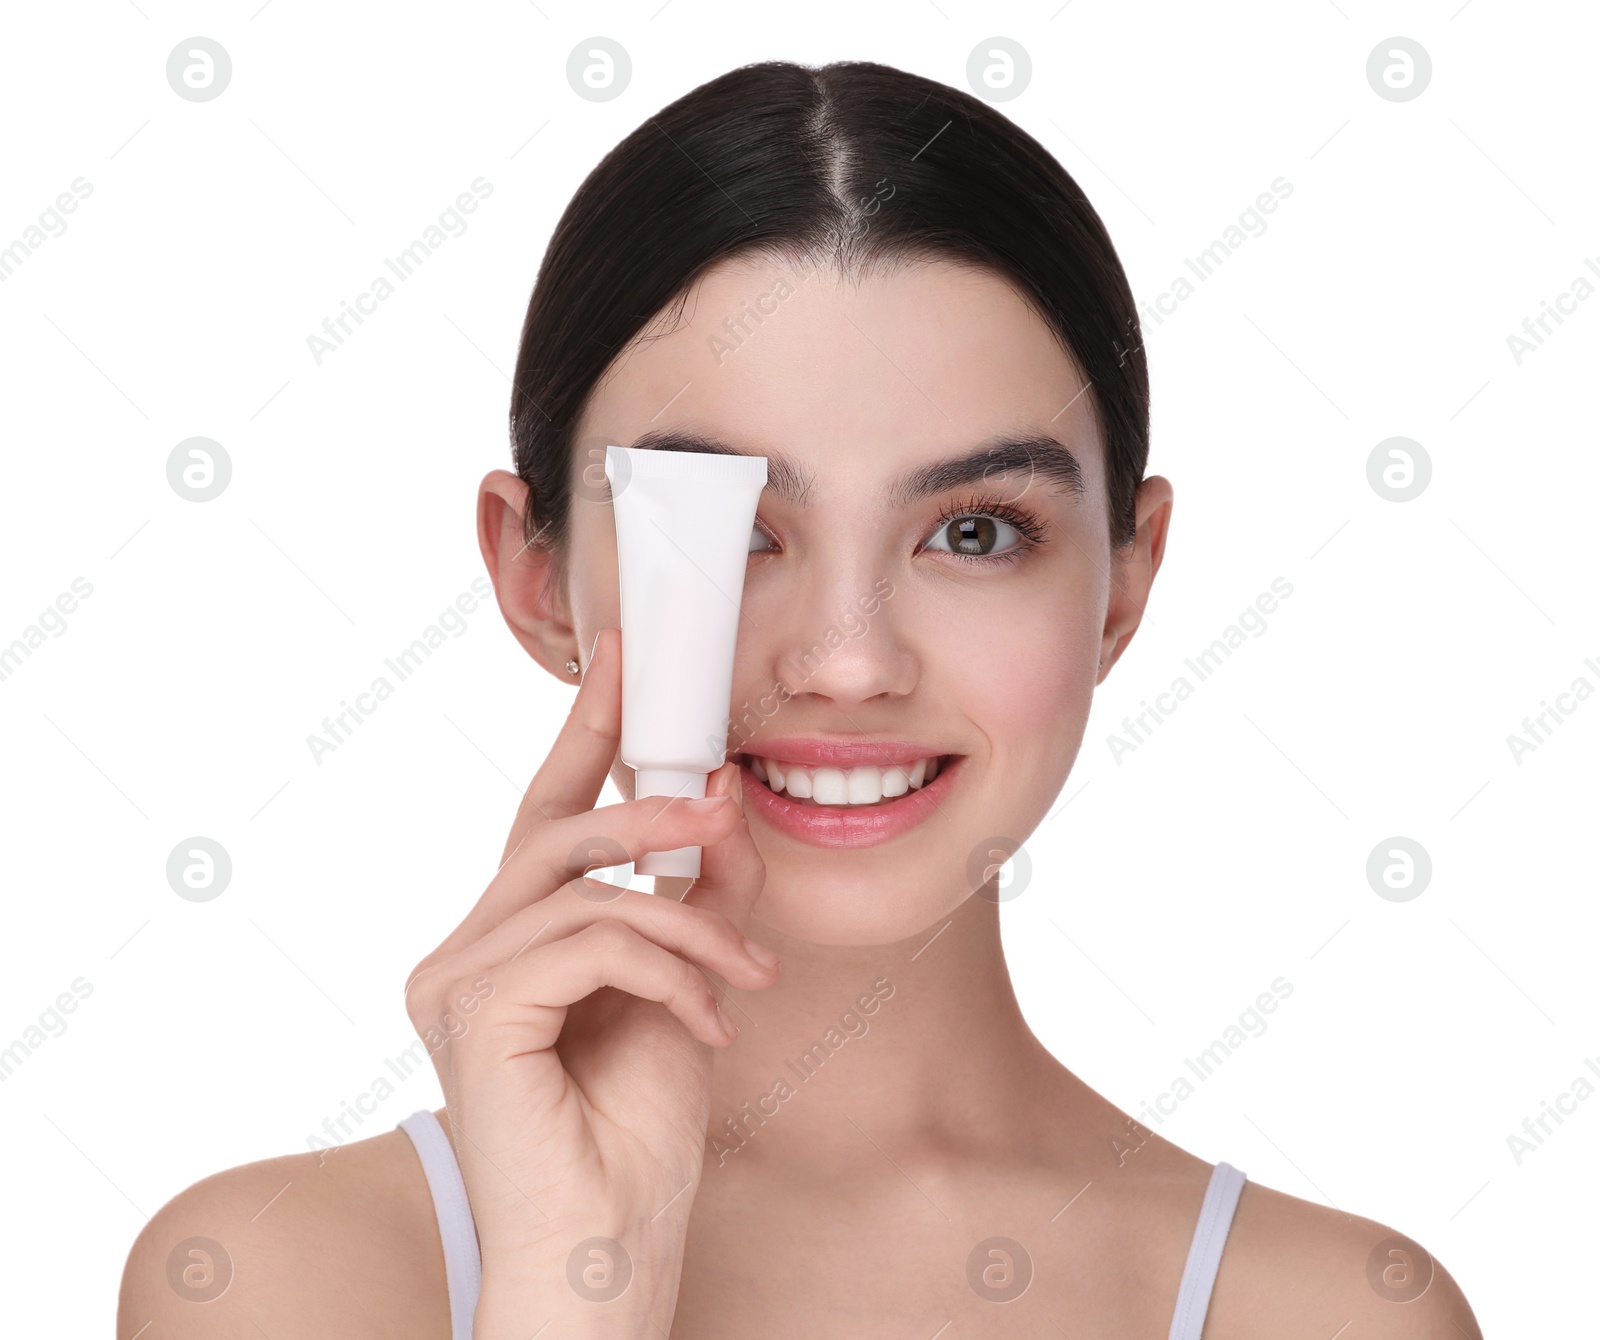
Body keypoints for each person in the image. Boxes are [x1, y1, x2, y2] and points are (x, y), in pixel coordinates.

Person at [119, 59, 1482, 1338]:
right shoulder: (273, 1283)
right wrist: (575, 1285)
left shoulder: (1334, 1311)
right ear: (537, 576)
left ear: (1124, 587)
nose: (845, 662)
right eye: (730, 533)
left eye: (975, 532)